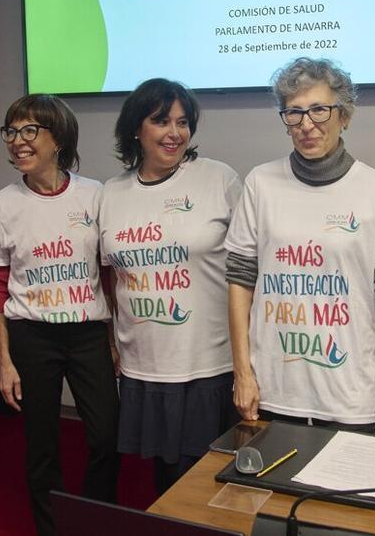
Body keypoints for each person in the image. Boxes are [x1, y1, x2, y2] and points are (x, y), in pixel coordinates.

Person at [225, 57, 375, 448]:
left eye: (319, 110)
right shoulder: (261, 184)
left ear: (345, 116)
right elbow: (240, 280)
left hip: (346, 396)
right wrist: (243, 372)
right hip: (273, 392)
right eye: (294, 112)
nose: (307, 124)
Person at [0, 94, 118, 536]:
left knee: (105, 436)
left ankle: (95, 519)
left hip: (88, 333)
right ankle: (52, 529)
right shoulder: (3, 205)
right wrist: (4, 360)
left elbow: (108, 274)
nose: (17, 141)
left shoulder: (94, 195)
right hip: (31, 336)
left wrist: (114, 338)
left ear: (58, 138)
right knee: (42, 446)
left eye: (29, 131)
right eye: (11, 132)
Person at [98, 78, 241, 493]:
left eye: (183, 122)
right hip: (145, 363)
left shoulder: (219, 180)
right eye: (161, 121)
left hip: (207, 362)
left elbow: (249, 269)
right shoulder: (112, 192)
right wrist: (112, 342)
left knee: (208, 482)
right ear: (136, 129)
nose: (174, 132)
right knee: (165, 480)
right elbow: (110, 277)